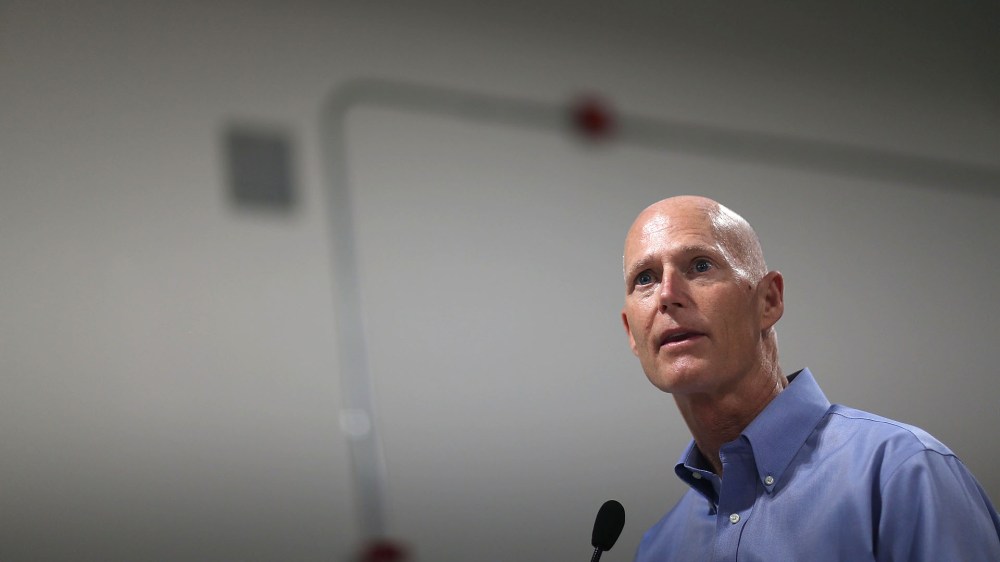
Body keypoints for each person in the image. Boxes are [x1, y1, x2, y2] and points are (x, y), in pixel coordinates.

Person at [620, 195, 1000, 561]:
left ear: (768, 301)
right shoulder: (659, 547)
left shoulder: (903, 473)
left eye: (700, 266)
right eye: (645, 278)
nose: (667, 295)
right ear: (631, 334)